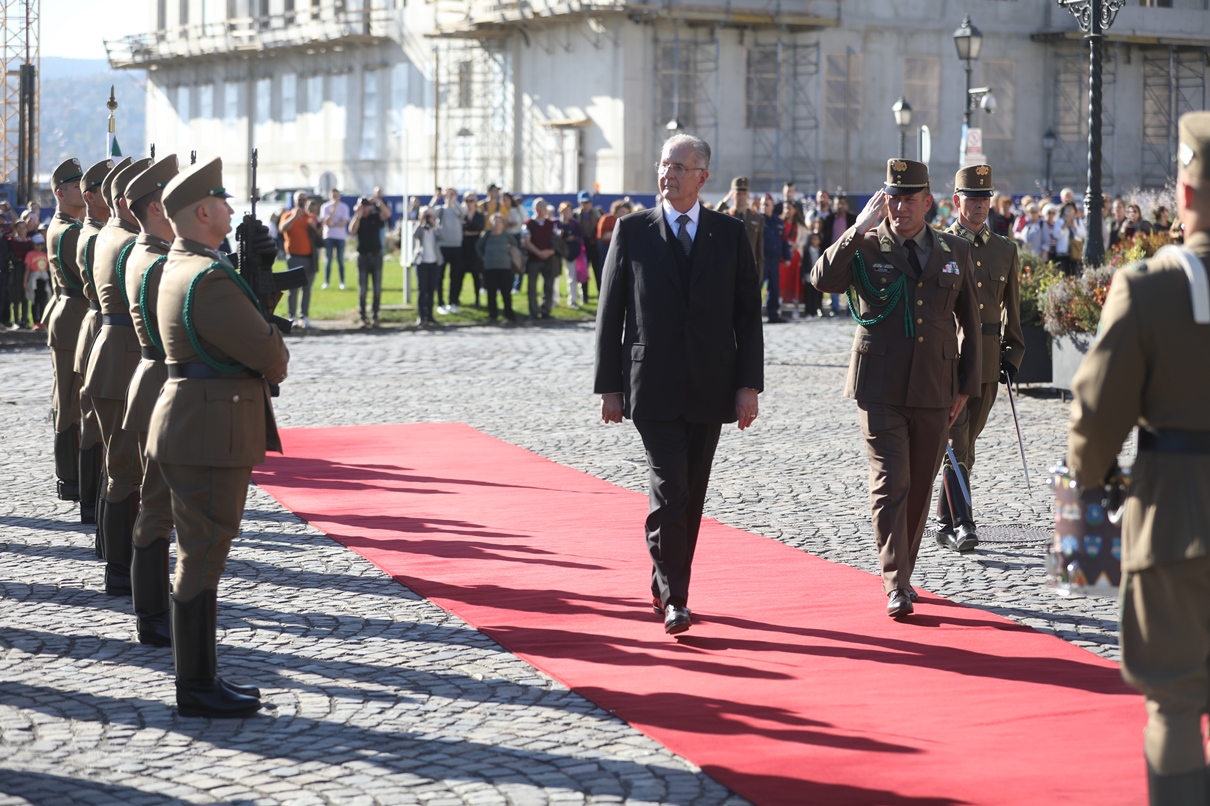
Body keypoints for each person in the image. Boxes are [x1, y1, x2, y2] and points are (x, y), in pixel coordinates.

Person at [1066, 111, 1210, 805]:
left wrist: (1087, 498)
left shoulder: (1149, 287)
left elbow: (1094, 419)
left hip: (1175, 521)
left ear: (1184, 195)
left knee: (1176, 702)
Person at [594, 133, 763, 635]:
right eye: (664, 164)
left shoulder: (729, 235)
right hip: (652, 386)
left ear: (703, 177)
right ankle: (677, 599)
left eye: (679, 167)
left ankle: (663, 580)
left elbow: (746, 318)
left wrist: (748, 385)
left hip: (711, 386)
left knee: (690, 496)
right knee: (670, 491)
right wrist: (609, 387)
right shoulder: (632, 231)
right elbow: (610, 314)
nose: (667, 174)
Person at [147, 157, 289, 718]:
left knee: (199, 552)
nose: (232, 211)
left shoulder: (184, 266)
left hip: (200, 421)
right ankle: (196, 684)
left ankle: (200, 677)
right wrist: (267, 320)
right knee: (202, 556)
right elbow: (270, 357)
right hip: (209, 428)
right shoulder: (208, 278)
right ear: (202, 212)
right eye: (223, 202)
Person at [810, 158, 981, 618]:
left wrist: (966, 384)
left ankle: (902, 571)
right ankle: (896, 582)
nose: (900, 207)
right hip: (880, 385)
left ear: (928, 202)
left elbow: (971, 323)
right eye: (892, 198)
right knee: (891, 482)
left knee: (921, 484)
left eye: (909, 199)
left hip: (935, 386)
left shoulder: (953, 251)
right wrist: (857, 228)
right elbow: (821, 279)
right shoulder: (865, 246)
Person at [935, 165, 1026, 553]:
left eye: (985, 198)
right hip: (949, 362)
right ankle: (965, 524)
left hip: (989, 361)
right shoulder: (938, 245)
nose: (979, 205)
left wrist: (1013, 355)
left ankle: (942, 520)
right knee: (956, 443)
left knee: (966, 444)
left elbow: (1013, 312)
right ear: (957, 201)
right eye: (972, 198)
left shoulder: (1005, 250)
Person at [83, 156, 153, 596]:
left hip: (111, 352)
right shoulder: (129, 244)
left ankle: (112, 554)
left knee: (119, 466)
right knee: (127, 469)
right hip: (124, 358)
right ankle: (122, 569)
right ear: (128, 202)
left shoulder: (109, 233)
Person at [120, 154, 181, 647]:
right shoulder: (159, 261)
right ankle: (154, 614)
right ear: (159, 206)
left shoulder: (145, 250)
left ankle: (153, 609)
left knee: (154, 500)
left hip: (148, 376)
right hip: (163, 382)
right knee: (158, 504)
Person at [75, 159, 117, 533]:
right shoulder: (93, 235)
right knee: (94, 420)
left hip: (101, 323)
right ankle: (91, 500)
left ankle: (95, 501)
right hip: (100, 322)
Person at [281, 191, 319, 328]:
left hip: (309, 257)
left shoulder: (311, 217)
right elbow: (283, 228)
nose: (302, 201)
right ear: (295, 201)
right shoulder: (288, 215)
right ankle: (292, 316)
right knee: (293, 288)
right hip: (294, 257)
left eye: (304, 199)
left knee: (307, 288)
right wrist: (294, 216)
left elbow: (320, 236)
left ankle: (305, 316)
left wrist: (314, 227)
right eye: (299, 199)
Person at [349, 195, 387, 327]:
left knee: (377, 288)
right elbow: (352, 230)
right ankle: (362, 316)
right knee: (363, 289)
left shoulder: (375, 217)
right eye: (362, 206)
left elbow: (387, 214)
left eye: (366, 206)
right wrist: (358, 215)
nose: (365, 208)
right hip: (363, 256)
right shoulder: (359, 218)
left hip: (376, 256)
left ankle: (375, 316)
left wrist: (378, 202)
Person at [476, 212, 516, 324]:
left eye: (500, 221)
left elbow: (515, 245)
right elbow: (478, 247)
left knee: (506, 292)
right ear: (491, 223)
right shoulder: (487, 234)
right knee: (491, 292)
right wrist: (483, 256)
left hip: (505, 267)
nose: (497, 224)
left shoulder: (506, 235)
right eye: (495, 221)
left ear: (503, 223)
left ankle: (509, 315)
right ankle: (493, 315)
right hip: (490, 267)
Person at [523, 198, 559, 320]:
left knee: (549, 286)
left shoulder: (551, 224)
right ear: (537, 209)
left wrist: (550, 251)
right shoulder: (528, 224)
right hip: (533, 259)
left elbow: (556, 240)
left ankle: (546, 311)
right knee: (532, 287)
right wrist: (538, 252)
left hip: (548, 259)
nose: (544, 210)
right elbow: (526, 242)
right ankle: (533, 312)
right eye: (542, 208)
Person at [821, 196, 857, 316]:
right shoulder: (829, 219)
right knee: (833, 279)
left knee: (851, 281)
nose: (840, 206)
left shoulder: (853, 218)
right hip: (833, 254)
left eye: (842, 203)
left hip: (849, 253)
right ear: (833, 205)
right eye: (837, 204)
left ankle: (850, 308)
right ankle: (835, 308)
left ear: (846, 205)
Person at [431, 187, 465, 314]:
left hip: (456, 247)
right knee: (440, 276)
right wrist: (436, 199)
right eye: (447, 194)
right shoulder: (441, 210)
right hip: (443, 247)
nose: (449, 197)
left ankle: (453, 302)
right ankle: (440, 303)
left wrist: (453, 201)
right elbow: (429, 212)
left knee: (455, 276)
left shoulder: (458, 209)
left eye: (452, 194)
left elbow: (463, 213)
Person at [411, 206, 442, 326]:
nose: (428, 218)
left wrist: (434, 224)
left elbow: (442, 237)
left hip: (434, 262)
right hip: (421, 262)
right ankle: (421, 316)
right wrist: (421, 221)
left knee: (431, 290)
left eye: (429, 215)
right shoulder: (420, 229)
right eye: (425, 215)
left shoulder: (434, 229)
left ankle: (430, 315)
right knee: (422, 290)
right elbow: (415, 235)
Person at [759, 194, 786, 323]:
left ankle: (773, 314)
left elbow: (783, 240)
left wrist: (786, 256)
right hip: (761, 260)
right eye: (762, 204)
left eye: (767, 204)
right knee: (756, 287)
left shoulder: (778, 221)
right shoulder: (758, 220)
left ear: (772, 206)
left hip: (774, 259)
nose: (764, 206)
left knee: (774, 288)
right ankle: (753, 314)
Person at [456, 193, 484, 309]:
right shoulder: (461, 215)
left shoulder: (479, 215)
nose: (469, 203)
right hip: (463, 250)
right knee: (459, 276)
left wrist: (468, 232)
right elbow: (460, 229)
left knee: (476, 276)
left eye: (471, 200)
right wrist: (470, 232)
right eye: (467, 200)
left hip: (475, 250)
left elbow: (479, 228)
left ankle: (477, 299)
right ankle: (455, 299)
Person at [319, 189, 351, 290]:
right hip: (329, 236)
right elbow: (326, 222)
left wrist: (333, 224)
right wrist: (333, 209)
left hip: (340, 237)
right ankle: (326, 282)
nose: (335, 198)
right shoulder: (325, 207)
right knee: (328, 260)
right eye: (333, 196)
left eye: (336, 196)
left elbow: (343, 223)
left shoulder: (344, 207)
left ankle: (342, 282)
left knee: (340, 260)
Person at [574, 191, 603, 302]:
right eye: (584, 202)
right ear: (579, 202)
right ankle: (584, 296)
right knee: (583, 272)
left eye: (588, 202)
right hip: (582, 247)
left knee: (598, 272)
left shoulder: (597, 214)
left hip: (594, 246)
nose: (586, 204)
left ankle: (601, 295)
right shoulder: (575, 214)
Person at [556, 201, 585, 308]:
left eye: (568, 211)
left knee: (572, 277)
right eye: (564, 211)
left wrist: (573, 238)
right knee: (555, 277)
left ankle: (572, 300)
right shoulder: (556, 223)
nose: (566, 213)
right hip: (557, 253)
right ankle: (554, 301)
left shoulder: (575, 223)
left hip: (571, 253)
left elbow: (580, 237)